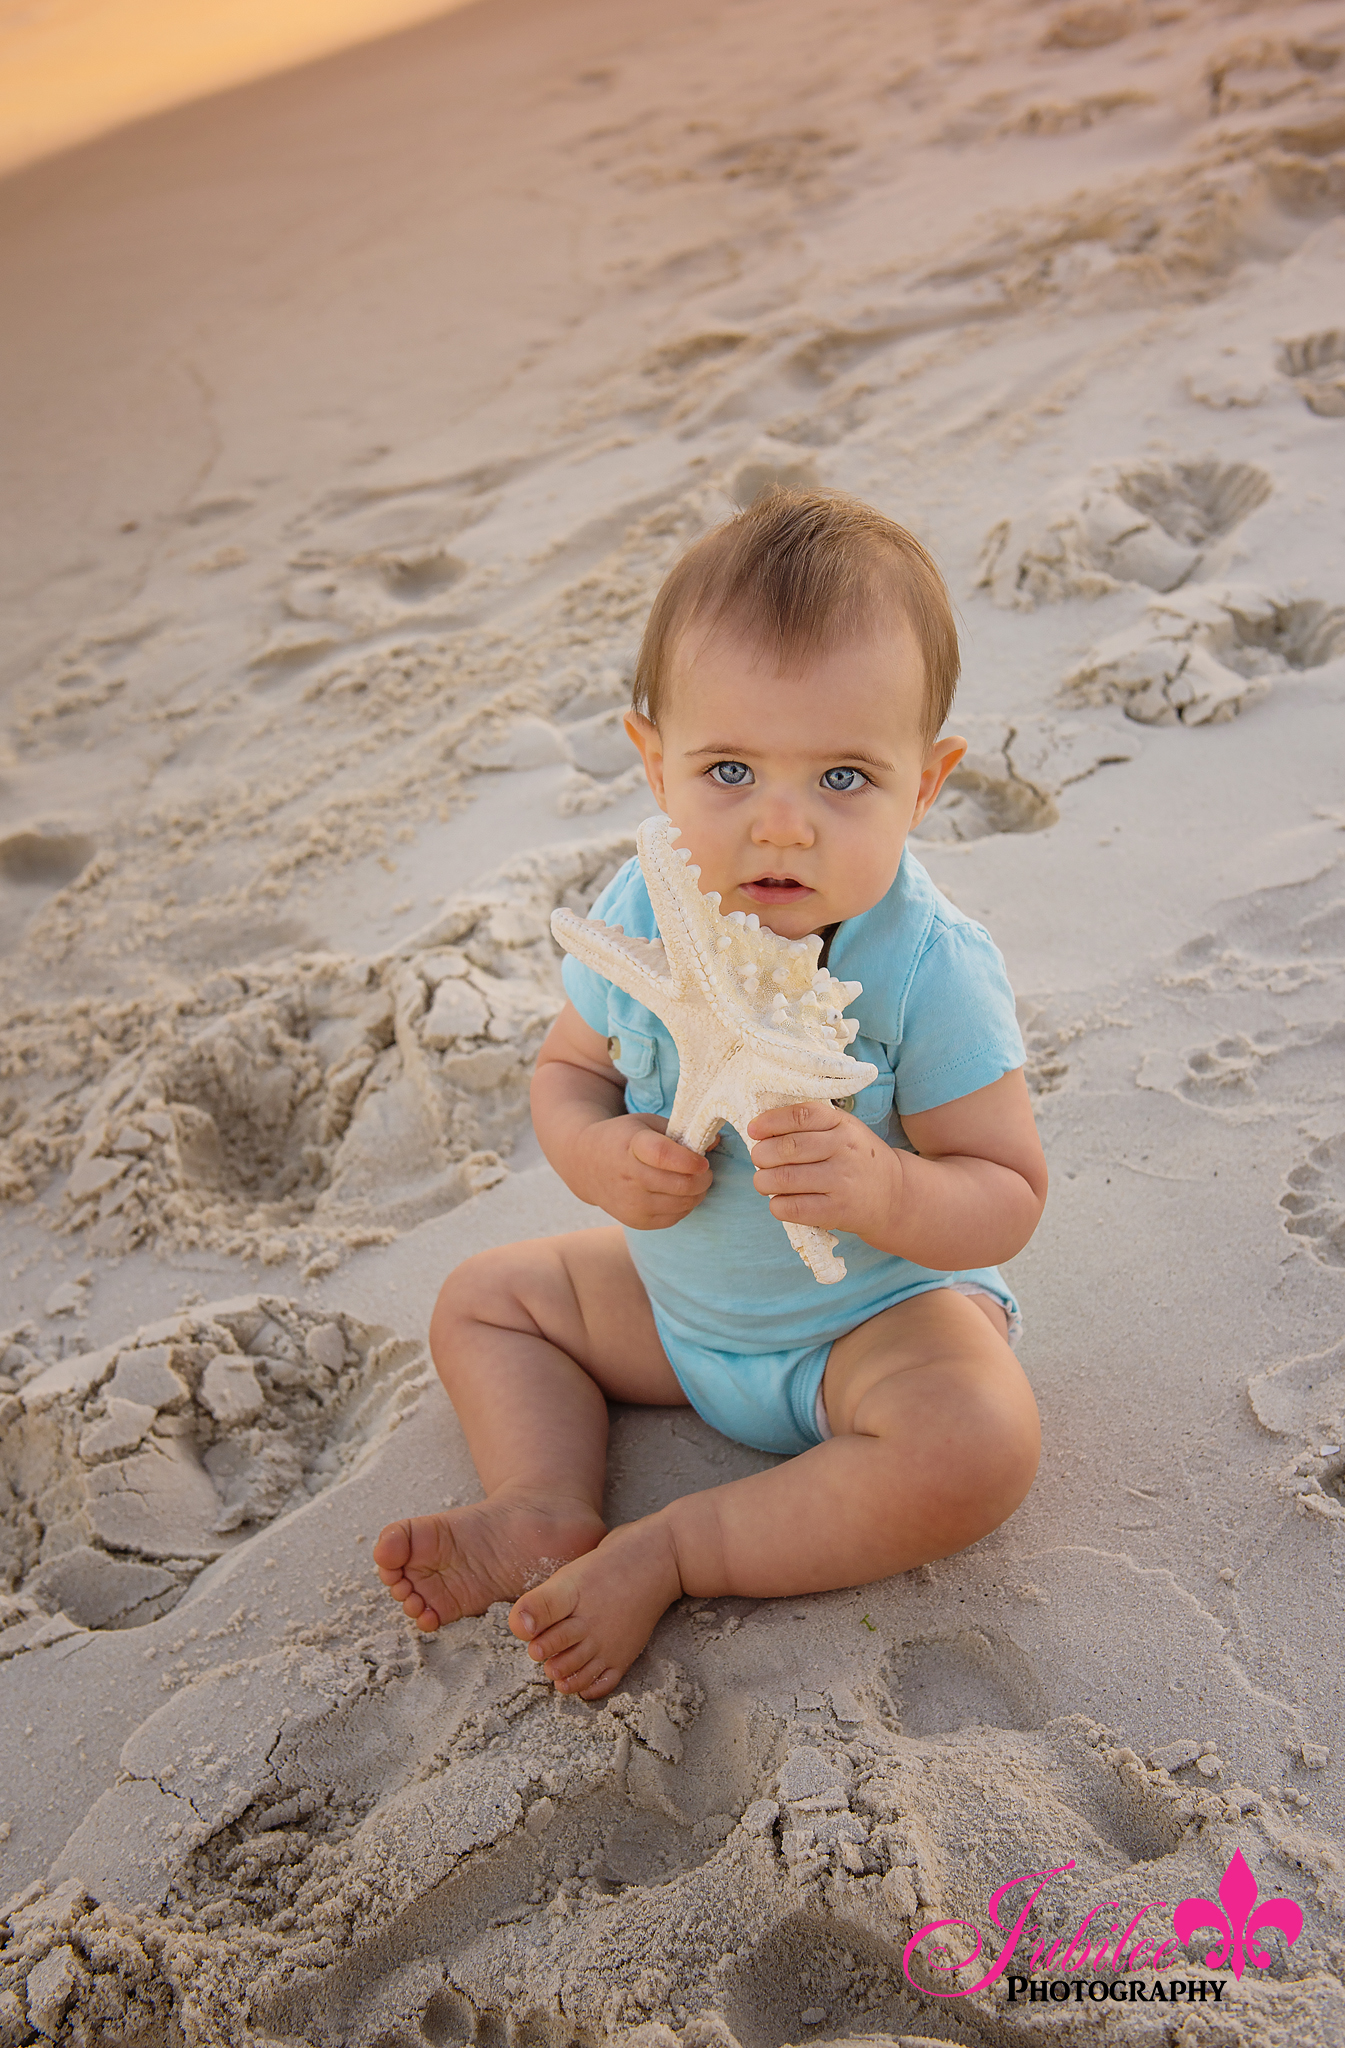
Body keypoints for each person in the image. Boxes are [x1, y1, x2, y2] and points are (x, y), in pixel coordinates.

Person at [375, 489, 1046, 1699]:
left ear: (927, 783)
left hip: (874, 1326)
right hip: (677, 1313)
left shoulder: (927, 965)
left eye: (844, 775)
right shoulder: (645, 914)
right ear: (652, 761)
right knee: (486, 1299)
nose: (778, 824)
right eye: (728, 769)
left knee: (980, 1443)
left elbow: (1005, 1193)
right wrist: (598, 1155)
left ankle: (682, 1544)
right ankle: (539, 1503)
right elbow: (567, 1071)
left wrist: (884, 1185)